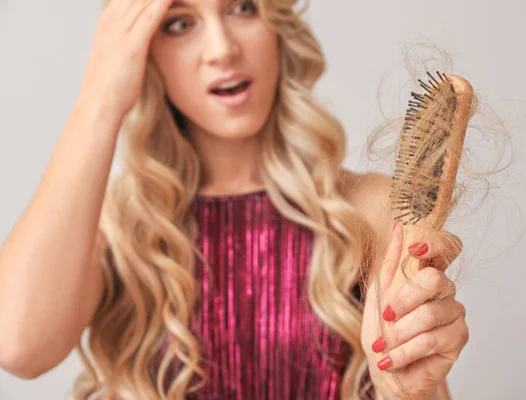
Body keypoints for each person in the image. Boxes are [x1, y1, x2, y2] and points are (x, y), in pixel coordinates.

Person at [0, 0, 468, 398]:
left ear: (277, 23)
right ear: (142, 52)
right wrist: (99, 102)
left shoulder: (366, 211)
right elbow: (19, 347)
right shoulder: (117, 229)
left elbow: (413, 384)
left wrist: (407, 388)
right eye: (179, 23)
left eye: (242, 6)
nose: (222, 50)